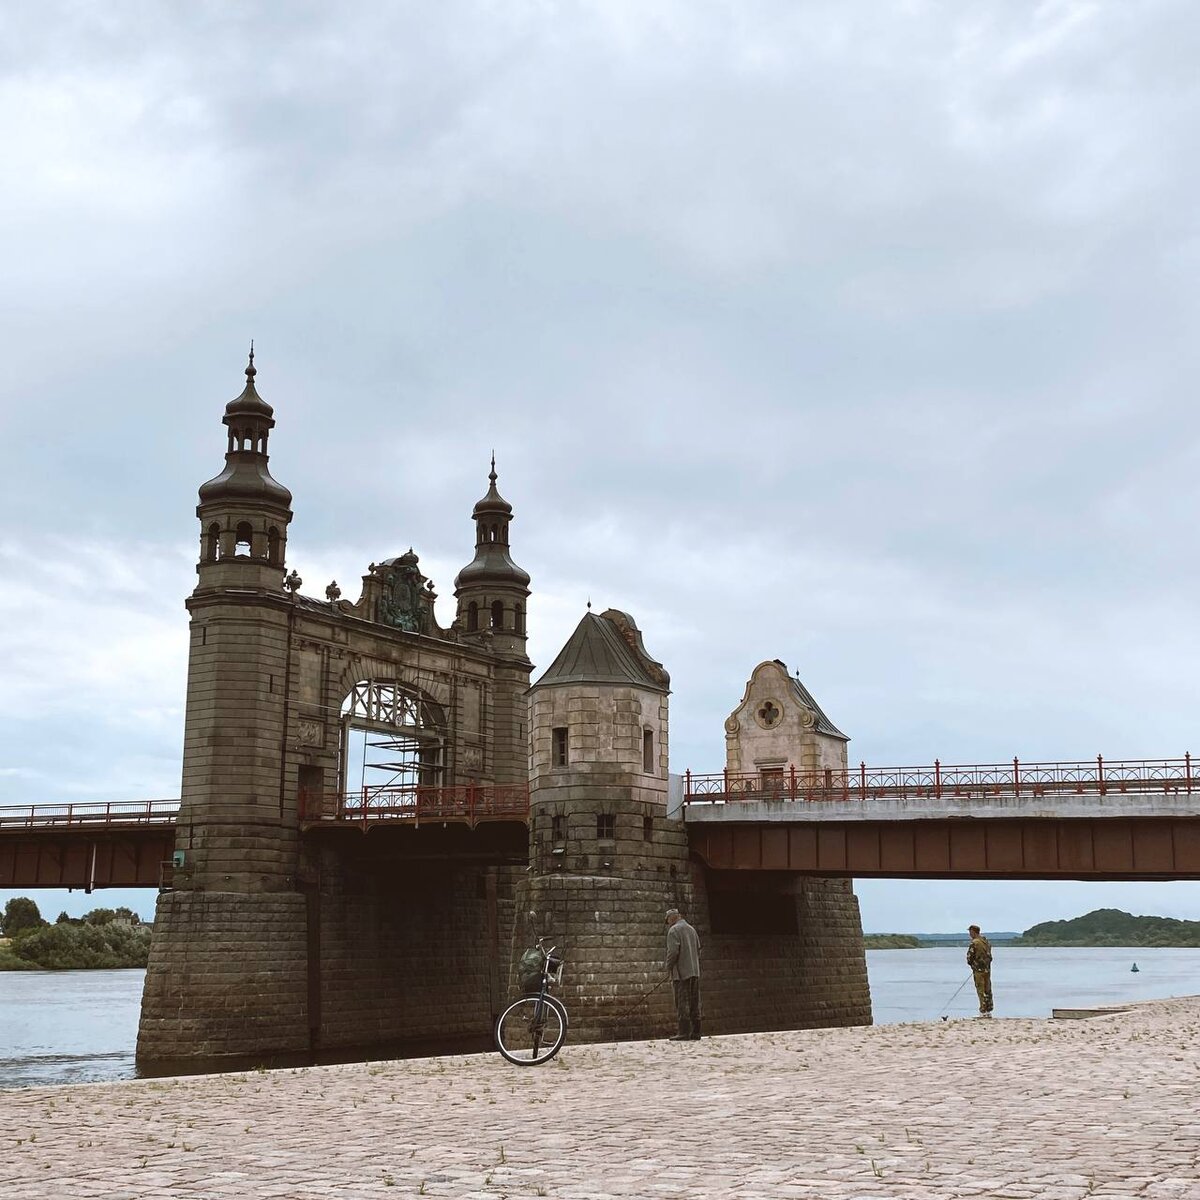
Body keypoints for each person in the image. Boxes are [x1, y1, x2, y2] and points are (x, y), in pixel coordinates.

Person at [665, 908, 701, 1041]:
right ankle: (696, 1032)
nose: (668, 924)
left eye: (668, 921)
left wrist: (668, 967)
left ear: (672, 918)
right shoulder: (692, 929)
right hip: (694, 971)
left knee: (682, 1002)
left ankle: (683, 1032)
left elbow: (673, 952)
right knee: (694, 1002)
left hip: (681, 974)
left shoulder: (673, 931)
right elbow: (698, 949)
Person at [966, 924, 993, 1018]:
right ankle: (988, 1010)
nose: (969, 934)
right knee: (987, 989)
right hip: (987, 969)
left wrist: (973, 965)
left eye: (970, 932)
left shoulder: (974, 942)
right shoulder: (985, 941)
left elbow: (969, 957)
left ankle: (983, 1011)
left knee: (980, 990)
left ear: (973, 932)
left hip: (978, 970)